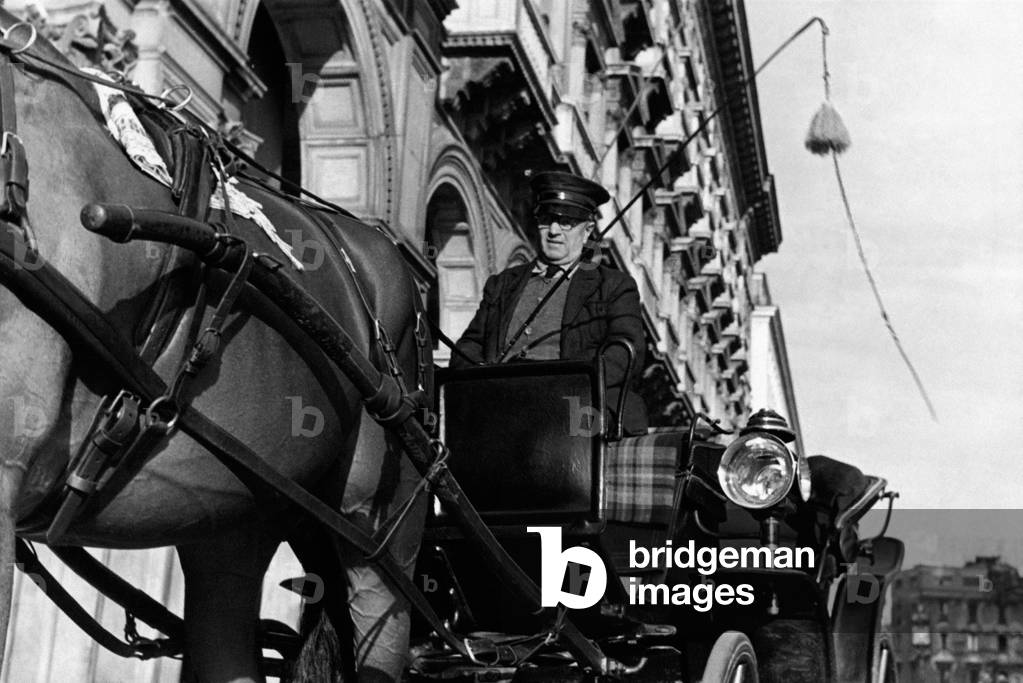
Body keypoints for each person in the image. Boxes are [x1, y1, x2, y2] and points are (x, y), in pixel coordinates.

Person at [451, 170, 648, 435]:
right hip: (498, 400)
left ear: (588, 230)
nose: (554, 231)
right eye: (546, 220)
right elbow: (470, 344)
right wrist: (481, 377)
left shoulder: (613, 286)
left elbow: (627, 352)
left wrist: (575, 383)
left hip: (571, 405)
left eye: (566, 222)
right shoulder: (503, 284)